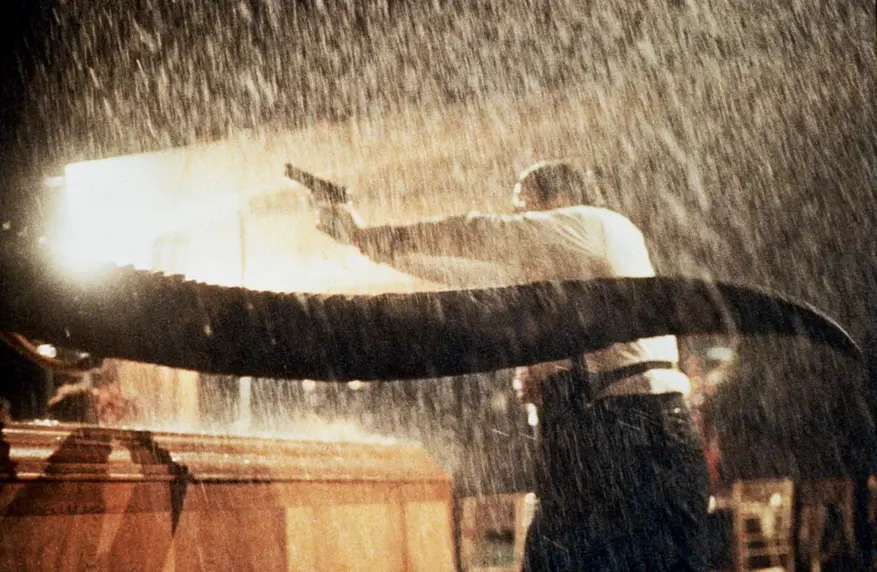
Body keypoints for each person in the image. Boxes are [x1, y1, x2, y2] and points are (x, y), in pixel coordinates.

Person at [318, 160, 710, 571]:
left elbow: (480, 233)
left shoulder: (598, 226)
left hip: (633, 431)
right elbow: (453, 267)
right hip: (599, 436)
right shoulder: (548, 265)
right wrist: (364, 241)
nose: (515, 215)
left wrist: (370, 235)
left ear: (561, 200)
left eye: (523, 204)